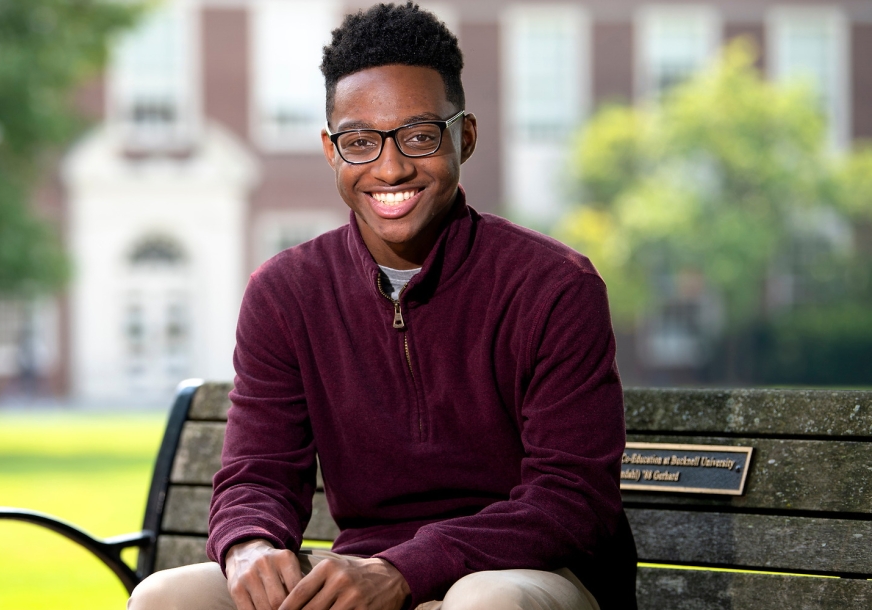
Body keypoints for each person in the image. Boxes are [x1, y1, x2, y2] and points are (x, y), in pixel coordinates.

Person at [128, 3, 636, 609]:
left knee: (484, 603)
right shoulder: (286, 293)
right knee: (169, 596)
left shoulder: (554, 286)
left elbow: (571, 500)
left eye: (419, 136)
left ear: (464, 138)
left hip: (531, 574)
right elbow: (257, 474)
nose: (390, 167)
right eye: (361, 142)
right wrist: (250, 546)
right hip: (366, 571)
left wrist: (404, 569)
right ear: (331, 150)